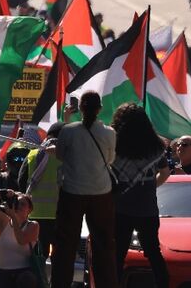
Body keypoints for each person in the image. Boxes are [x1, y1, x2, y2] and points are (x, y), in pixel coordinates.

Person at [51, 91, 118, 288]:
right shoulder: (109, 133)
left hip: (72, 191)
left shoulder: (68, 131)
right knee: (104, 245)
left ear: (79, 108)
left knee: (65, 245)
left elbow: (61, 156)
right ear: (100, 109)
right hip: (101, 192)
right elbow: (110, 160)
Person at [111, 103, 170, 288]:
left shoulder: (114, 144)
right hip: (147, 208)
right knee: (153, 251)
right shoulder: (155, 146)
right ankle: (162, 284)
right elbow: (165, 172)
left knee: (118, 253)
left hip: (120, 207)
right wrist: (151, 186)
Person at [17, 122, 63, 258]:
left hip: (35, 214)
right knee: (59, 257)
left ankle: (38, 279)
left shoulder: (33, 154)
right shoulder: (67, 156)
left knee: (37, 257)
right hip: (59, 215)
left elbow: (21, 181)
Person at [0, 190, 40, 288]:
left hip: (23, 275)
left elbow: (21, 240)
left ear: (29, 210)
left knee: (27, 279)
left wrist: (13, 217)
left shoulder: (33, 225)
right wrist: (2, 193)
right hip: (3, 274)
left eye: (23, 204)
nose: (19, 206)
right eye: (17, 203)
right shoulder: (4, 221)